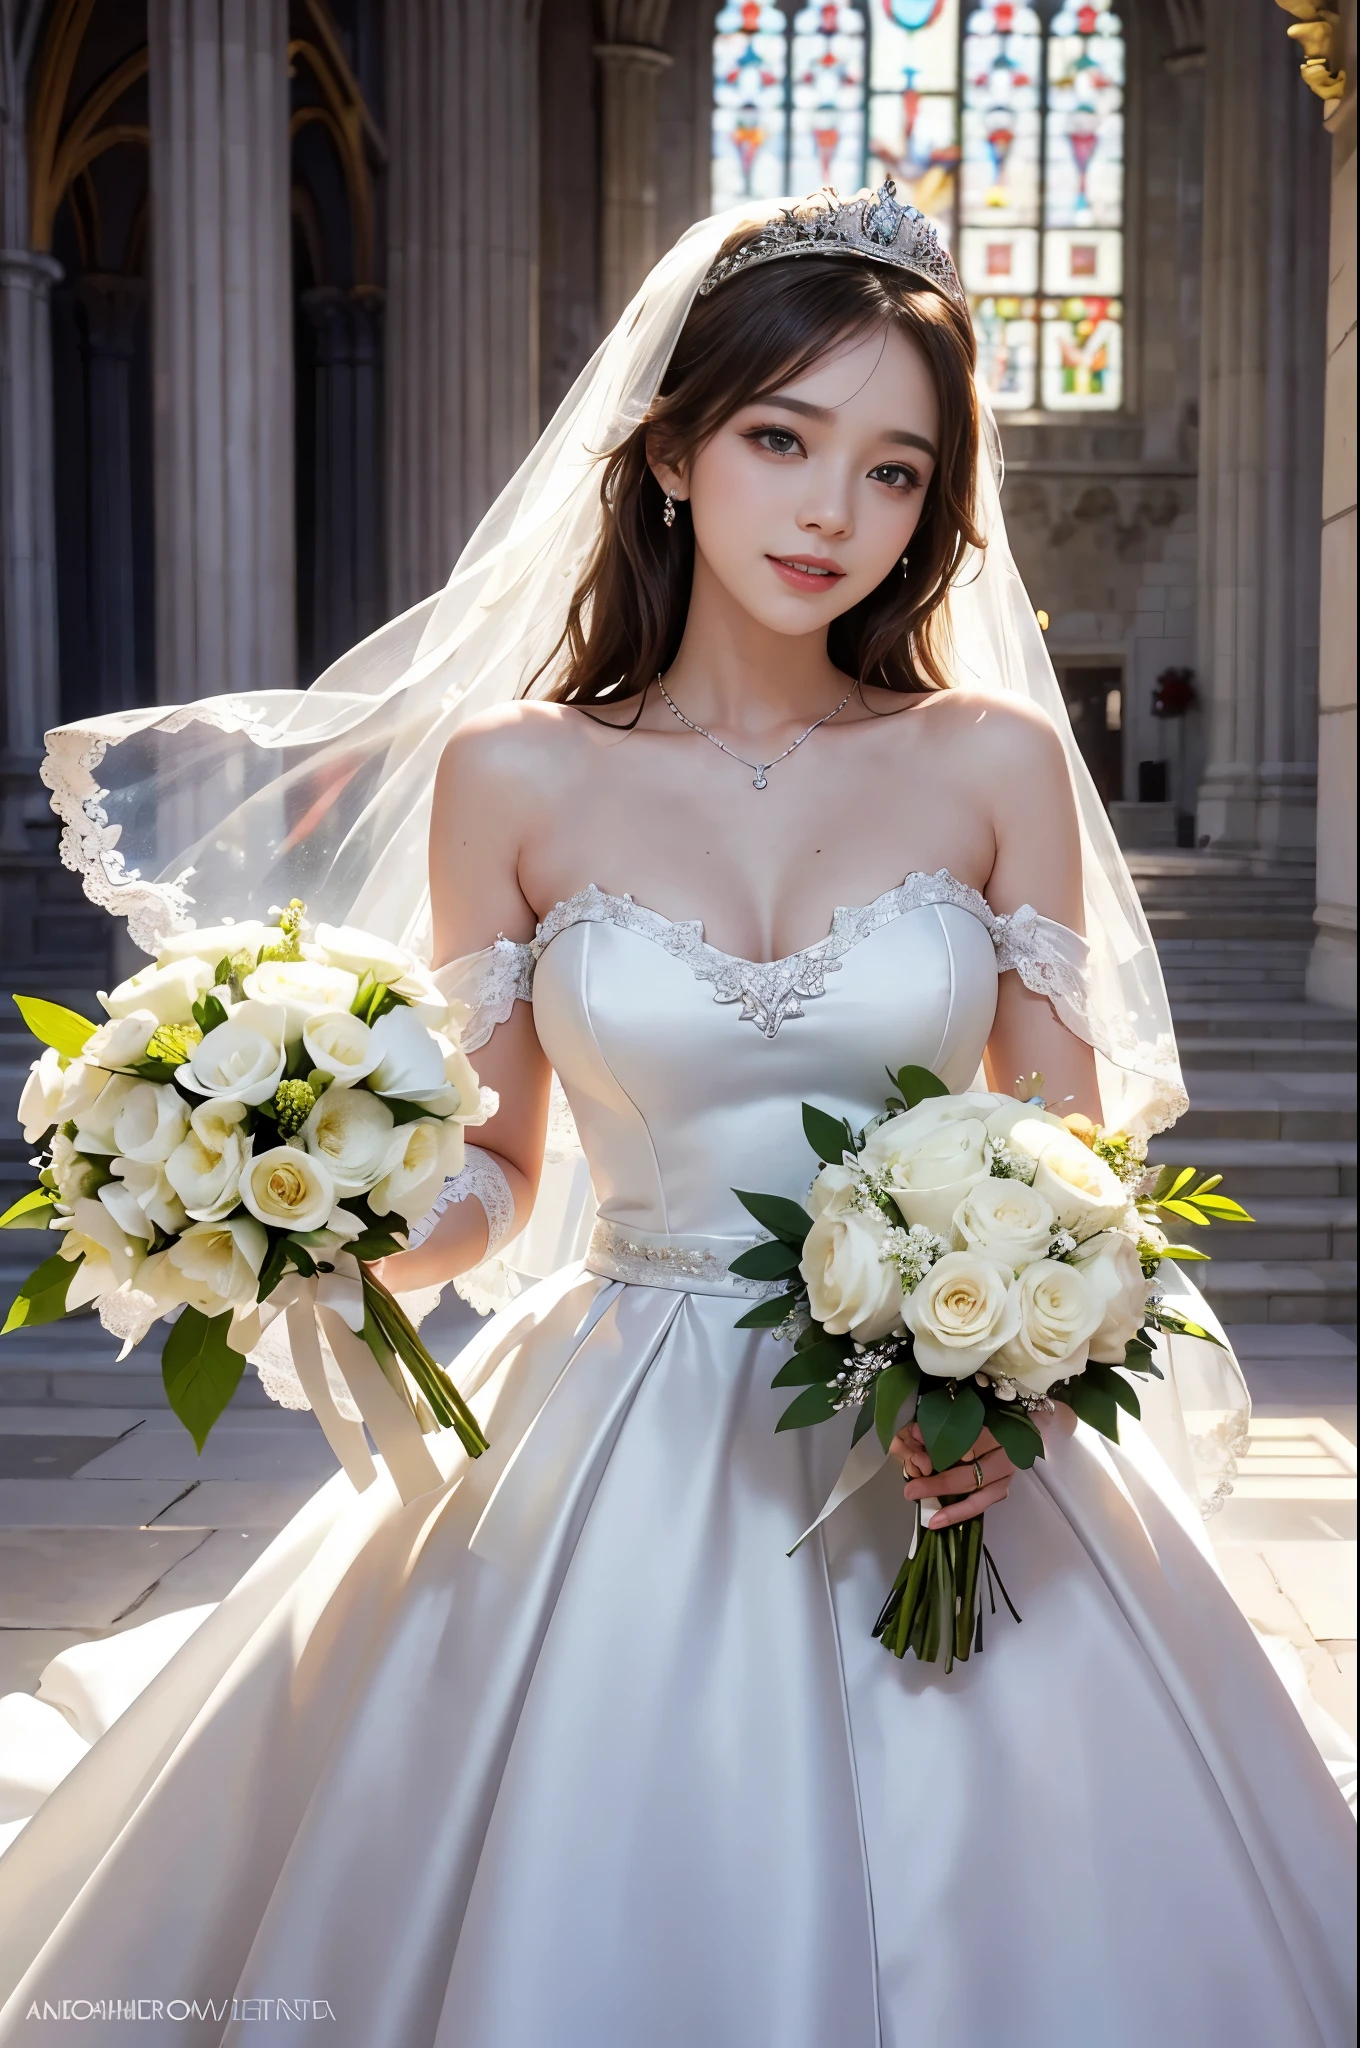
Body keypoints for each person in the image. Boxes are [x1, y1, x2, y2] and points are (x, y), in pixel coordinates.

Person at [0, 187, 1353, 2047]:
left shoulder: (993, 764)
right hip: (618, 1410)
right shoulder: (515, 774)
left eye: (894, 472)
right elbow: (495, 1169)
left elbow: (1074, 1162)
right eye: (783, 440)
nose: (831, 512)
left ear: (938, 509)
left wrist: (1022, 1391)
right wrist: (318, 1216)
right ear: (667, 455)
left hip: (937, 1424)